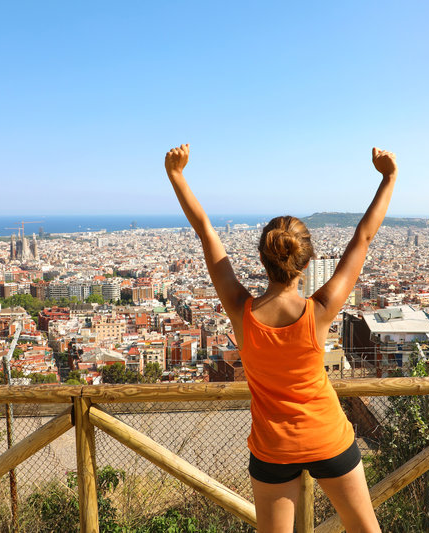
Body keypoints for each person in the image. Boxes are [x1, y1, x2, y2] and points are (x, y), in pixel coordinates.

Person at [165, 143, 397, 533]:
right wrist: (388, 178)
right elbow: (363, 239)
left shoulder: (242, 312)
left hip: (273, 448)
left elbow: (207, 233)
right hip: (328, 435)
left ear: (262, 259)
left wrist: (177, 175)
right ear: (307, 263)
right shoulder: (319, 311)